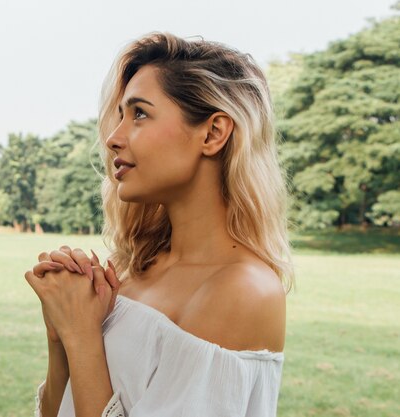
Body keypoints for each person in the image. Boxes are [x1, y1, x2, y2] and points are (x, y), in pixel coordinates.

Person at [24, 31, 294, 417]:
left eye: (139, 113)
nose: (114, 139)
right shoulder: (131, 271)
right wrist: (62, 333)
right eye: (119, 115)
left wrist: (82, 336)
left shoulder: (243, 291)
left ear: (213, 133)